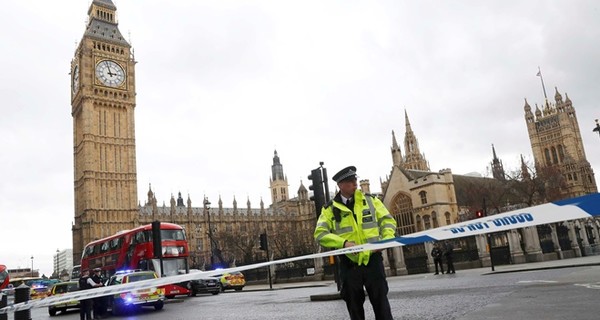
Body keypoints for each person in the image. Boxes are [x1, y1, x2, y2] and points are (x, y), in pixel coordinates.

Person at [314, 166, 397, 320]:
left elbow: (387, 221)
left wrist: (386, 240)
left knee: (382, 307)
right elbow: (320, 234)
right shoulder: (329, 209)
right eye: (350, 181)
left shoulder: (371, 201)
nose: (355, 183)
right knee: (355, 309)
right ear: (340, 185)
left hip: (373, 260)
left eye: (355, 180)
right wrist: (344, 243)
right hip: (349, 264)